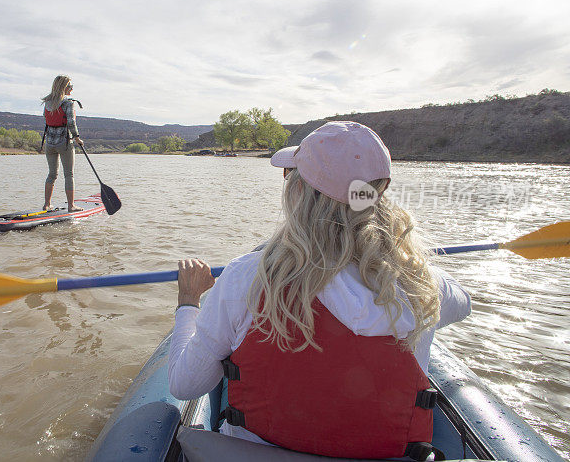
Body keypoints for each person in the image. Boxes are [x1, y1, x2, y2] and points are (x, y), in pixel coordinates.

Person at [168, 121, 471, 460]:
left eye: (289, 177)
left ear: (298, 192)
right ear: (378, 194)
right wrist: (404, 257)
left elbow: (185, 385)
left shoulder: (246, 277)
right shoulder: (424, 285)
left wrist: (188, 302)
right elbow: (464, 303)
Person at [41, 75, 84, 212]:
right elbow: (71, 123)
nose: (71, 88)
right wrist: (77, 138)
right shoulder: (68, 103)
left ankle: (47, 204)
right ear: (63, 87)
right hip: (64, 143)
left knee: (52, 174)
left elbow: (46, 119)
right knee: (69, 174)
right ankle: (71, 206)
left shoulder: (47, 102)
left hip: (49, 143)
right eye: (70, 86)